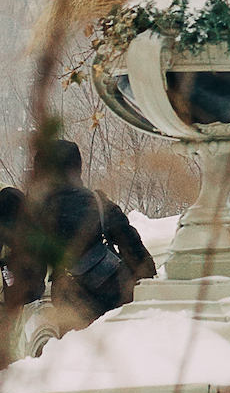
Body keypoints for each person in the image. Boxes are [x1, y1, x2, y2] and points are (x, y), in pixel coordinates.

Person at [4, 137, 155, 330]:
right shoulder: (99, 202)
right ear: (77, 168)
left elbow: (31, 279)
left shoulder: (36, 214)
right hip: (116, 295)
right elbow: (138, 256)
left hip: (72, 305)